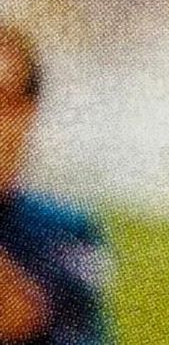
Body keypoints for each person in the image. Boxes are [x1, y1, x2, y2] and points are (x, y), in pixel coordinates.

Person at [0, 26, 109, 344]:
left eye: (2, 100)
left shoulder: (65, 231)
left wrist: (31, 323)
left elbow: (84, 330)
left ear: (28, 112)